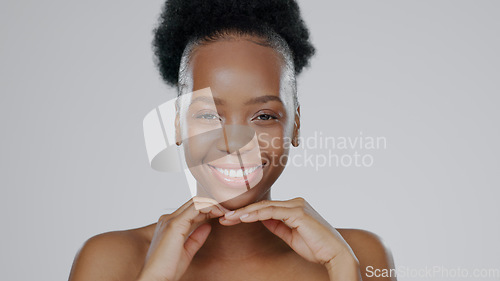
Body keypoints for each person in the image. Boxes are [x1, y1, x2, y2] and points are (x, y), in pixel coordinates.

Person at [68, 0, 396, 280]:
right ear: (178, 125)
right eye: (209, 115)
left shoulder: (358, 255)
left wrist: (341, 268)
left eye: (264, 116)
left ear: (295, 126)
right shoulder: (110, 261)